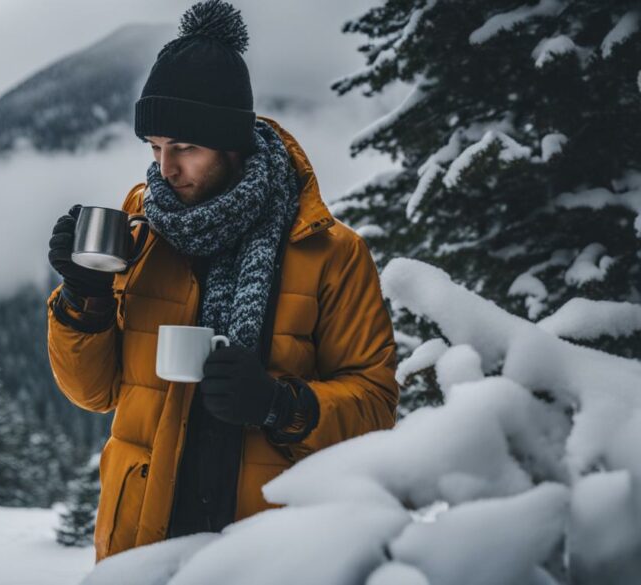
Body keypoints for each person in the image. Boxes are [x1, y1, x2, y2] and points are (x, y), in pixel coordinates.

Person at [46, 0, 399, 563]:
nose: (166, 169)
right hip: (145, 544)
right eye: (156, 148)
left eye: (185, 148)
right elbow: (93, 393)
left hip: (271, 552)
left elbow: (377, 406)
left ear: (232, 144)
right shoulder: (143, 231)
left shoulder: (330, 252)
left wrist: (281, 405)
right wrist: (81, 296)